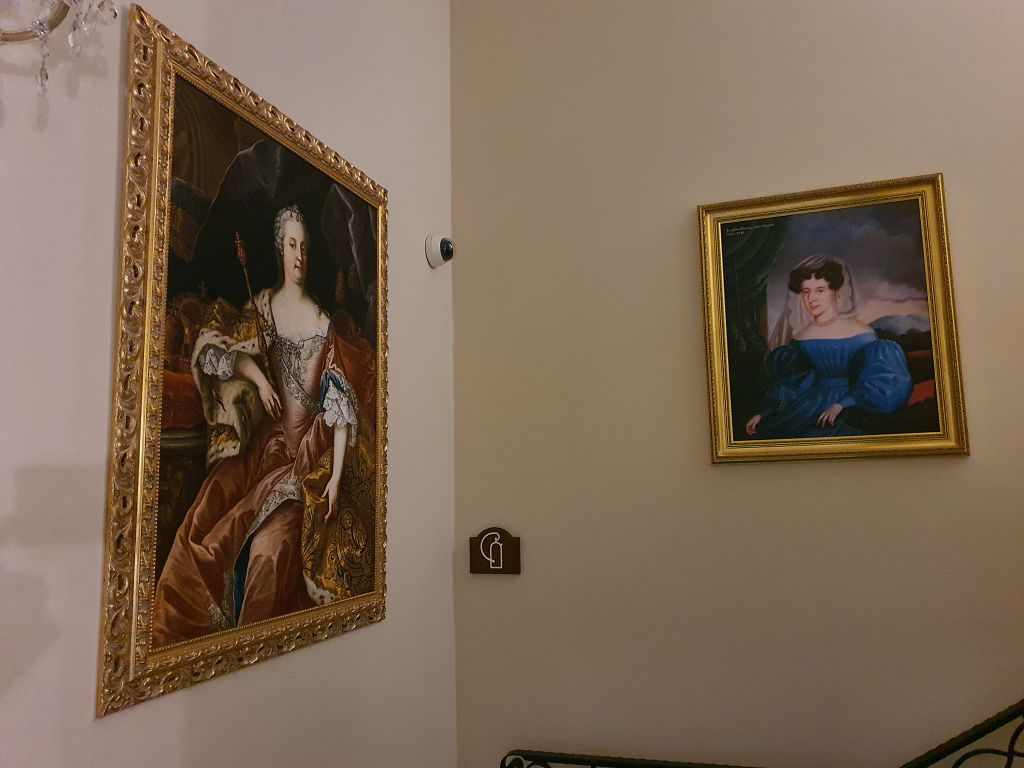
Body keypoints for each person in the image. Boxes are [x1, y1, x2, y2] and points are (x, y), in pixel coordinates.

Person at [152, 205, 375, 647]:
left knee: (267, 551)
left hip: (307, 456)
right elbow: (217, 353)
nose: (300, 256)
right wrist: (258, 379)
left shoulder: (322, 321)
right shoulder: (263, 308)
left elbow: (339, 403)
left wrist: (334, 477)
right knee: (205, 522)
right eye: (292, 245)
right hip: (265, 448)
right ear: (279, 249)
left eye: (304, 247)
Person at [745, 256, 912, 439]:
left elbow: (880, 381)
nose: (811, 298)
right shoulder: (803, 336)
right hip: (809, 404)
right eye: (806, 291)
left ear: (836, 292)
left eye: (820, 290)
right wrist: (764, 413)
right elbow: (794, 384)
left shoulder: (860, 332)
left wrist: (843, 404)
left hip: (853, 406)